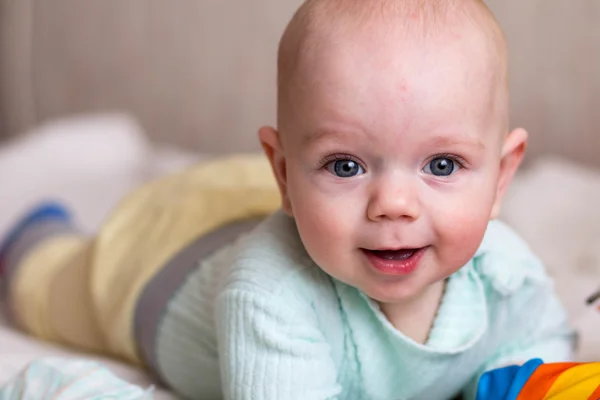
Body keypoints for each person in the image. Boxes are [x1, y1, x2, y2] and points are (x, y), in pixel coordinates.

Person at [0, 0, 575, 399]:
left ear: (501, 177)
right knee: (46, 288)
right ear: (284, 173)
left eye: (442, 165)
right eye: (346, 164)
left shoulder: (505, 277)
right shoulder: (271, 295)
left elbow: (537, 347)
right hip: (154, 261)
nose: (394, 204)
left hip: (278, 206)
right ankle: (36, 233)